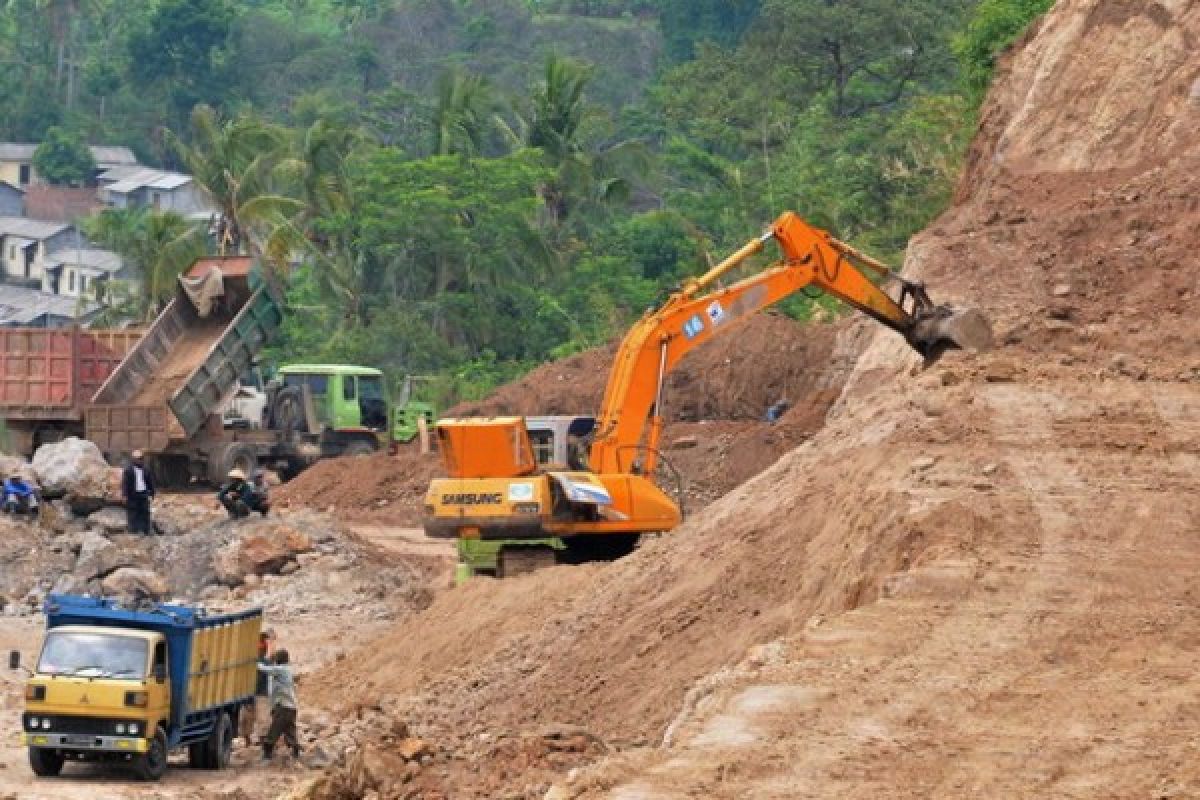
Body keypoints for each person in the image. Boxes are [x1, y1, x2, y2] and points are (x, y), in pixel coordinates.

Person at [257, 648, 300, 761]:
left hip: (284, 707)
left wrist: (254, 662)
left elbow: (263, 668)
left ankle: (267, 755)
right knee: (289, 729)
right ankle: (296, 752)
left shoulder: (281, 669)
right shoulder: (287, 669)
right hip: (291, 707)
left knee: (274, 730)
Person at [241, 630, 273, 745]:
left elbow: (268, 658)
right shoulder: (254, 659)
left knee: (262, 718)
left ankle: (259, 741)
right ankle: (250, 741)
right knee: (248, 718)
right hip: (252, 693)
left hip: (260, 692)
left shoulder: (262, 660)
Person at [121, 450, 155, 534]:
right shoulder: (129, 470)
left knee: (145, 512)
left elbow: (150, 482)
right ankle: (133, 530)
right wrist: (125, 495)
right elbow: (125, 483)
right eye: (138, 459)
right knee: (133, 512)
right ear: (133, 460)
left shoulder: (146, 469)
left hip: (143, 493)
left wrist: (152, 493)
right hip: (133, 494)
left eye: (141, 458)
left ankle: (146, 530)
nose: (140, 460)